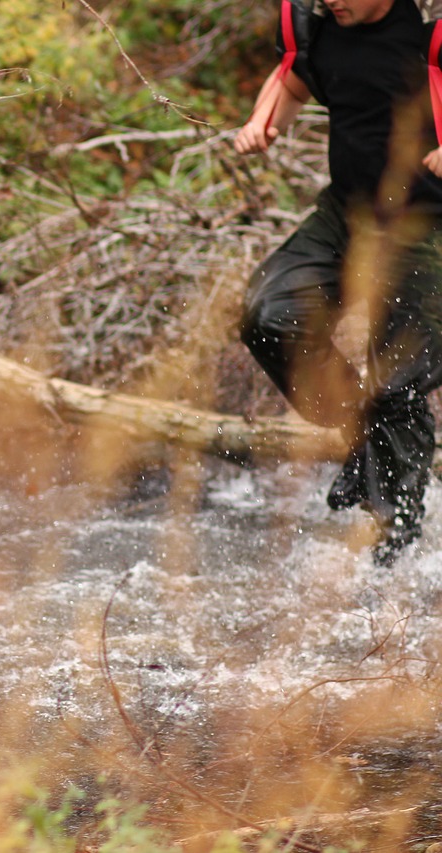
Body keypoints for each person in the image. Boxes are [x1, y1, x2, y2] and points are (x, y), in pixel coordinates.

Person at [235, 0, 442, 564]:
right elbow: (296, 84)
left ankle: (395, 554)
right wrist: (263, 123)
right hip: (347, 217)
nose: (331, 1)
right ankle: (360, 430)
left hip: (429, 230)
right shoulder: (316, 26)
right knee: (268, 312)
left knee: (397, 380)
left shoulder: (428, 27)